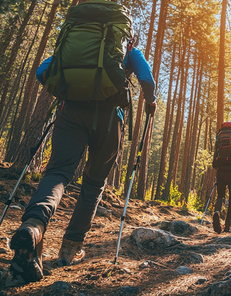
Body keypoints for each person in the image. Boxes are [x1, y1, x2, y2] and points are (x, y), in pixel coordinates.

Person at [9, 37, 156, 283]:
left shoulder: (74, 45)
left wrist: (70, 90)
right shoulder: (128, 51)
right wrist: (150, 101)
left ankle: (34, 226)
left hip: (70, 113)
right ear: (126, 33)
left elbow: (42, 72)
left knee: (57, 173)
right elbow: (148, 81)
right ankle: (70, 248)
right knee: (93, 184)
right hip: (109, 121)